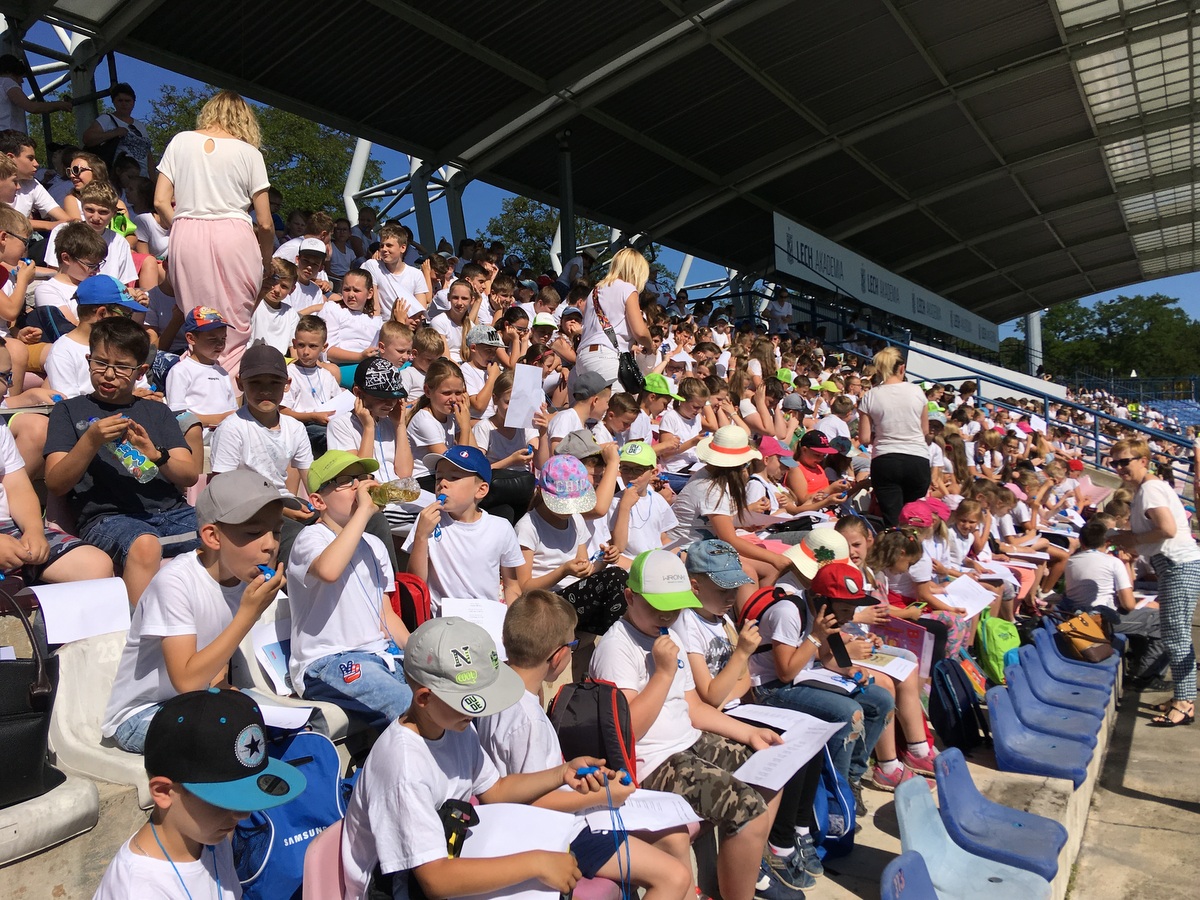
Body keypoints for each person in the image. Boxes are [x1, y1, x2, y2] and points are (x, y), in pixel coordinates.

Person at [339, 616, 606, 900]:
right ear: (425, 699)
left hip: (446, 857)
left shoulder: (454, 725)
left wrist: (560, 773)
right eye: (469, 700)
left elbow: (495, 790)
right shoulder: (404, 768)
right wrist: (536, 863)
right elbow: (435, 880)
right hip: (397, 888)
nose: (478, 710)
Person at [588, 549, 798, 900]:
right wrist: (664, 673)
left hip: (688, 740)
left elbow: (693, 707)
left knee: (770, 770)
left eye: (675, 606)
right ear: (629, 596)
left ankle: (745, 865)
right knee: (746, 808)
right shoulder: (616, 648)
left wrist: (748, 733)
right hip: (652, 760)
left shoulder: (668, 634)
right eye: (658, 606)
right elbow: (628, 732)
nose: (668, 614)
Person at [476, 590, 694, 900]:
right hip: (553, 831)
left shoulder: (499, 689)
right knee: (674, 876)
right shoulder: (528, 719)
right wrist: (604, 797)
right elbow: (537, 802)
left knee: (673, 844)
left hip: (532, 818)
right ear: (559, 656)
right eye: (573, 645)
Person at [99, 470, 297, 751]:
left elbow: (213, 660)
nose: (270, 545)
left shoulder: (241, 578)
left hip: (197, 703)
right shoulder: (175, 583)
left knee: (274, 733)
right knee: (229, 744)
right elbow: (187, 681)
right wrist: (248, 614)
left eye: (276, 531)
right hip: (141, 714)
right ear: (213, 537)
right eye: (253, 533)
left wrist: (227, 691)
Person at [92, 689, 306, 899]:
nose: (243, 815)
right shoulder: (139, 890)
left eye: (245, 798)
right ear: (164, 792)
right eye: (225, 800)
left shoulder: (210, 838)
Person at [44, 317, 199, 603]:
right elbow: (55, 482)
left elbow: (189, 475)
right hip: (107, 519)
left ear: (140, 371)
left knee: (229, 532)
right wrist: (90, 440)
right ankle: (139, 636)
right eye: (100, 363)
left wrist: (156, 455)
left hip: (172, 512)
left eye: (122, 367)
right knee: (145, 544)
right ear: (88, 360)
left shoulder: (158, 412)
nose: (108, 374)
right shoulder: (68, 411)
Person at [155, 90, 274, 376]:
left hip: (186, 231)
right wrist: (266, 261)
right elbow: (266, 223)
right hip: (235, 235)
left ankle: (191, 390)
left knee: (197, 320)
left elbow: (160, 201)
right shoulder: (250, 153)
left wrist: (184, 227)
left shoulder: (181, 141)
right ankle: (225, 399)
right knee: (233, 328)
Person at [288, 450, 410, 726]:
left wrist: (418, 652)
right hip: (326, 663)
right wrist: (365, 511)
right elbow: (329, 570)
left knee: (444, 694)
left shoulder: (373, 544)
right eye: (345, 480)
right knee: (412, 706)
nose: (359, 486)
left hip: (381, 655)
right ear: (318, 500)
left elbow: (385, 614)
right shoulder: (310, 538)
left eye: (362, 477)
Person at [1109, 438, 1200, 726]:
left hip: (1177, 565)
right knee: (1178, 633)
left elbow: (1167, 529)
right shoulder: (1149, 488)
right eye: (1115, 462)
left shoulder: (1149, 489)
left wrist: (1131, 539)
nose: (1120, 467)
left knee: (1175, 635)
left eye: (1126, 461)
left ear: (1143, 461)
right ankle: (1183, 699)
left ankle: (1185, 702)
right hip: (1176, 565)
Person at [404, 445, 523, 611]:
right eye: (438, 478)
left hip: (486, 619)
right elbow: (416, 583)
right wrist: (421, 536)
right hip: (442, 622)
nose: (443, 484)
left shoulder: (501, 528)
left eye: (454, 477)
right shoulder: (427, 521)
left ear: (480, 490)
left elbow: (512, 586)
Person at [1065, 515, 1167, 690]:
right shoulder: (1113, 563)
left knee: (1146, 618)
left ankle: (1138, 662)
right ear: (1107, 542)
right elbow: (1128, 605)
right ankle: (1146, 677)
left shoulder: (1071, 561)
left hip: (1079, 618)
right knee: (1165, 622)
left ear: (1082, 542)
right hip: (1101, 620)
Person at [857, 346, 929, 526]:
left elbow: (864, 438)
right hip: (917, 459)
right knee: (914, 519)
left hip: (886, 459)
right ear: (902, 368)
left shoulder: (871, 395)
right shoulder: (917, 392)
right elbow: (925, 431)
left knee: (892, 520)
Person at [574, 247, 655, 389]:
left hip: (583, 357)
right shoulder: (628, 289)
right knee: (618, 409)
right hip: (606, 357)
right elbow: (640, 332)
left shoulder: (594, 291)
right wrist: (650, 345)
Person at [164, 307, 237, 439]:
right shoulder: (181, 371)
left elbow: (232, 409)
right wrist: (218, 419)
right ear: (191, 338)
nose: (220, 345)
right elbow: (178, 415)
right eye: (212, 339)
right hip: (197, 439)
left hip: (225, 436)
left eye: (223, 339)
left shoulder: (223, 373)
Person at [82, 82, 155, 176]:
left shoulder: (140, 125)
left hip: (142, 181)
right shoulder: (106, 119)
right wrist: (114, 133)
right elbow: (87, 138)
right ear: (114, 102)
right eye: (120, 101)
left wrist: (153, 181)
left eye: (127, 101)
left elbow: (148, 156)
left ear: (133, 102)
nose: (124, 104)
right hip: (119, 179)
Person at [0, 55, 72, 134]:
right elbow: (31, 107)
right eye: (21, 76)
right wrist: (59, 104)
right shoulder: (7, 82)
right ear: (15, 71)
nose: (22, 81)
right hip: (9, 136)